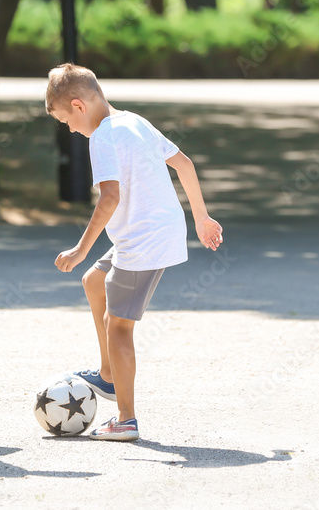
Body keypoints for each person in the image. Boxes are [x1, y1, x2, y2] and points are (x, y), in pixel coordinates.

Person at [46, 63, 223, 441]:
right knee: (94, 281)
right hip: (148, 233)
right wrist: (202, 218)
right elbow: (184, 164)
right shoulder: (133, 121)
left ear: (78, 105)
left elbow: (110, 196)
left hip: (145, 241)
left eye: (66, 122)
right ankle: (108, 376)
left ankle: (126, 419)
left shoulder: (102, 138)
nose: (71, 130)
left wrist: (80, 247)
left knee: (119, 326)